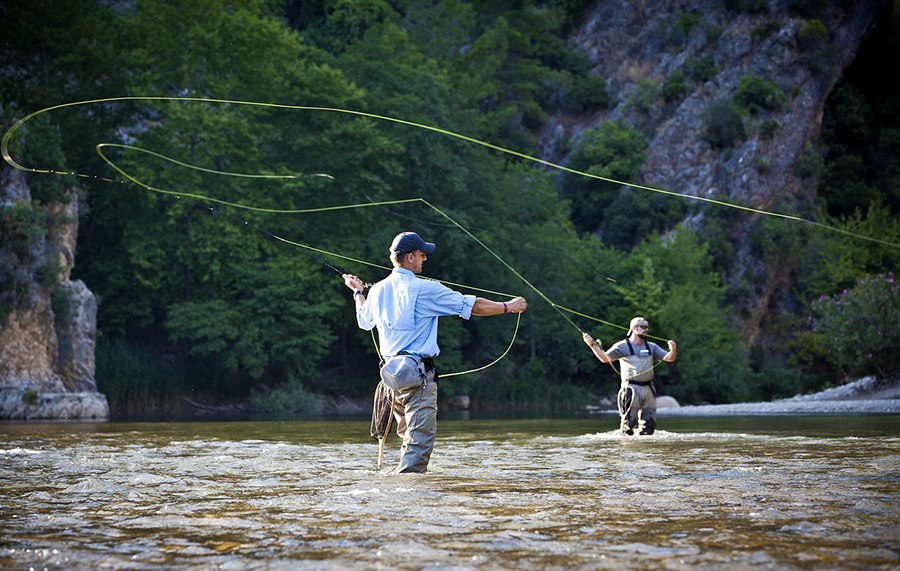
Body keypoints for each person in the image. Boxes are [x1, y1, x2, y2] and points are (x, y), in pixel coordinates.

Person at [343, 231, 527, 472]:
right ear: (410, 258)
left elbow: (363, 321)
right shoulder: (425, 289)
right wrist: (508, 307)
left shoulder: (376, 290)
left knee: (409, 437)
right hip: (418, 377)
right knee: (419, 442)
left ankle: (398, 492)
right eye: (422, 255)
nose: (424, 259)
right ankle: (409, 497)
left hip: (392, 380)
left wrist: (358, 293)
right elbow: (472, 306)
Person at [582, 317, 676, 435]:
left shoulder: (651, 346)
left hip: (648, 389)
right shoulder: (622, 346)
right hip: (630, 388)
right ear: (633, 328)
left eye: (647, 327)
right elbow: (604, 358)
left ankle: (647, 451)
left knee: (649, 426)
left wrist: (672, 350)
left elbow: (669, 358)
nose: (646, 329)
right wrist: (592, 345)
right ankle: (626, 450)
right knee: (628, 425)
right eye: (643, 327)